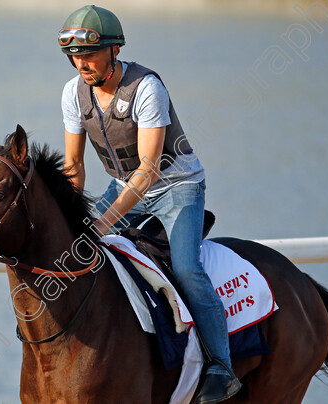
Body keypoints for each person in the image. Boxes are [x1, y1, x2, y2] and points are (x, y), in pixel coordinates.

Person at [58, 5, 241, 403]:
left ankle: (221, 368)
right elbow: (73, 165)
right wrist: (73, 218)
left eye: (89, 54)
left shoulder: (147, 88)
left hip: (175, 186)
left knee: (188, 270)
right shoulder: (73, 93)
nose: (81, 64)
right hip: (123, 186)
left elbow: (148, 171)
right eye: (74, 56)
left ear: (115, 50)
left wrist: (105, 221)